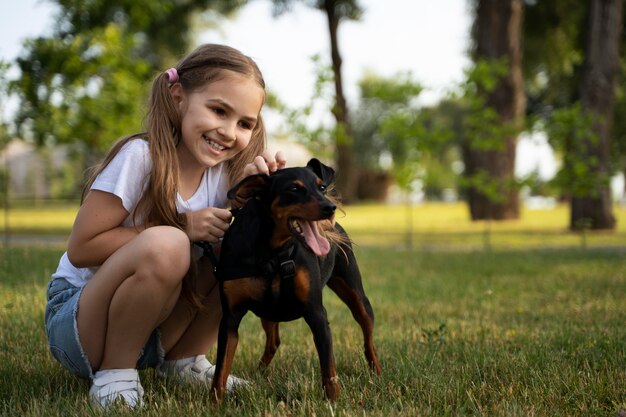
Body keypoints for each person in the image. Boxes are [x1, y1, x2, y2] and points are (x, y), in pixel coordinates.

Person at [44, 43, 286, 408]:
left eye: (244, 123)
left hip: (154, 330)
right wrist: (182, 225)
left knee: (241, 241)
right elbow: (81, 249)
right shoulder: (141, 157)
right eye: (218, 110)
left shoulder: (225, 177)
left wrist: (261, 193)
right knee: (169, 243)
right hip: (82, 322)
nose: (228, 131)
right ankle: (114, 373)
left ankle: (184, 360)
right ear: (179, 97)